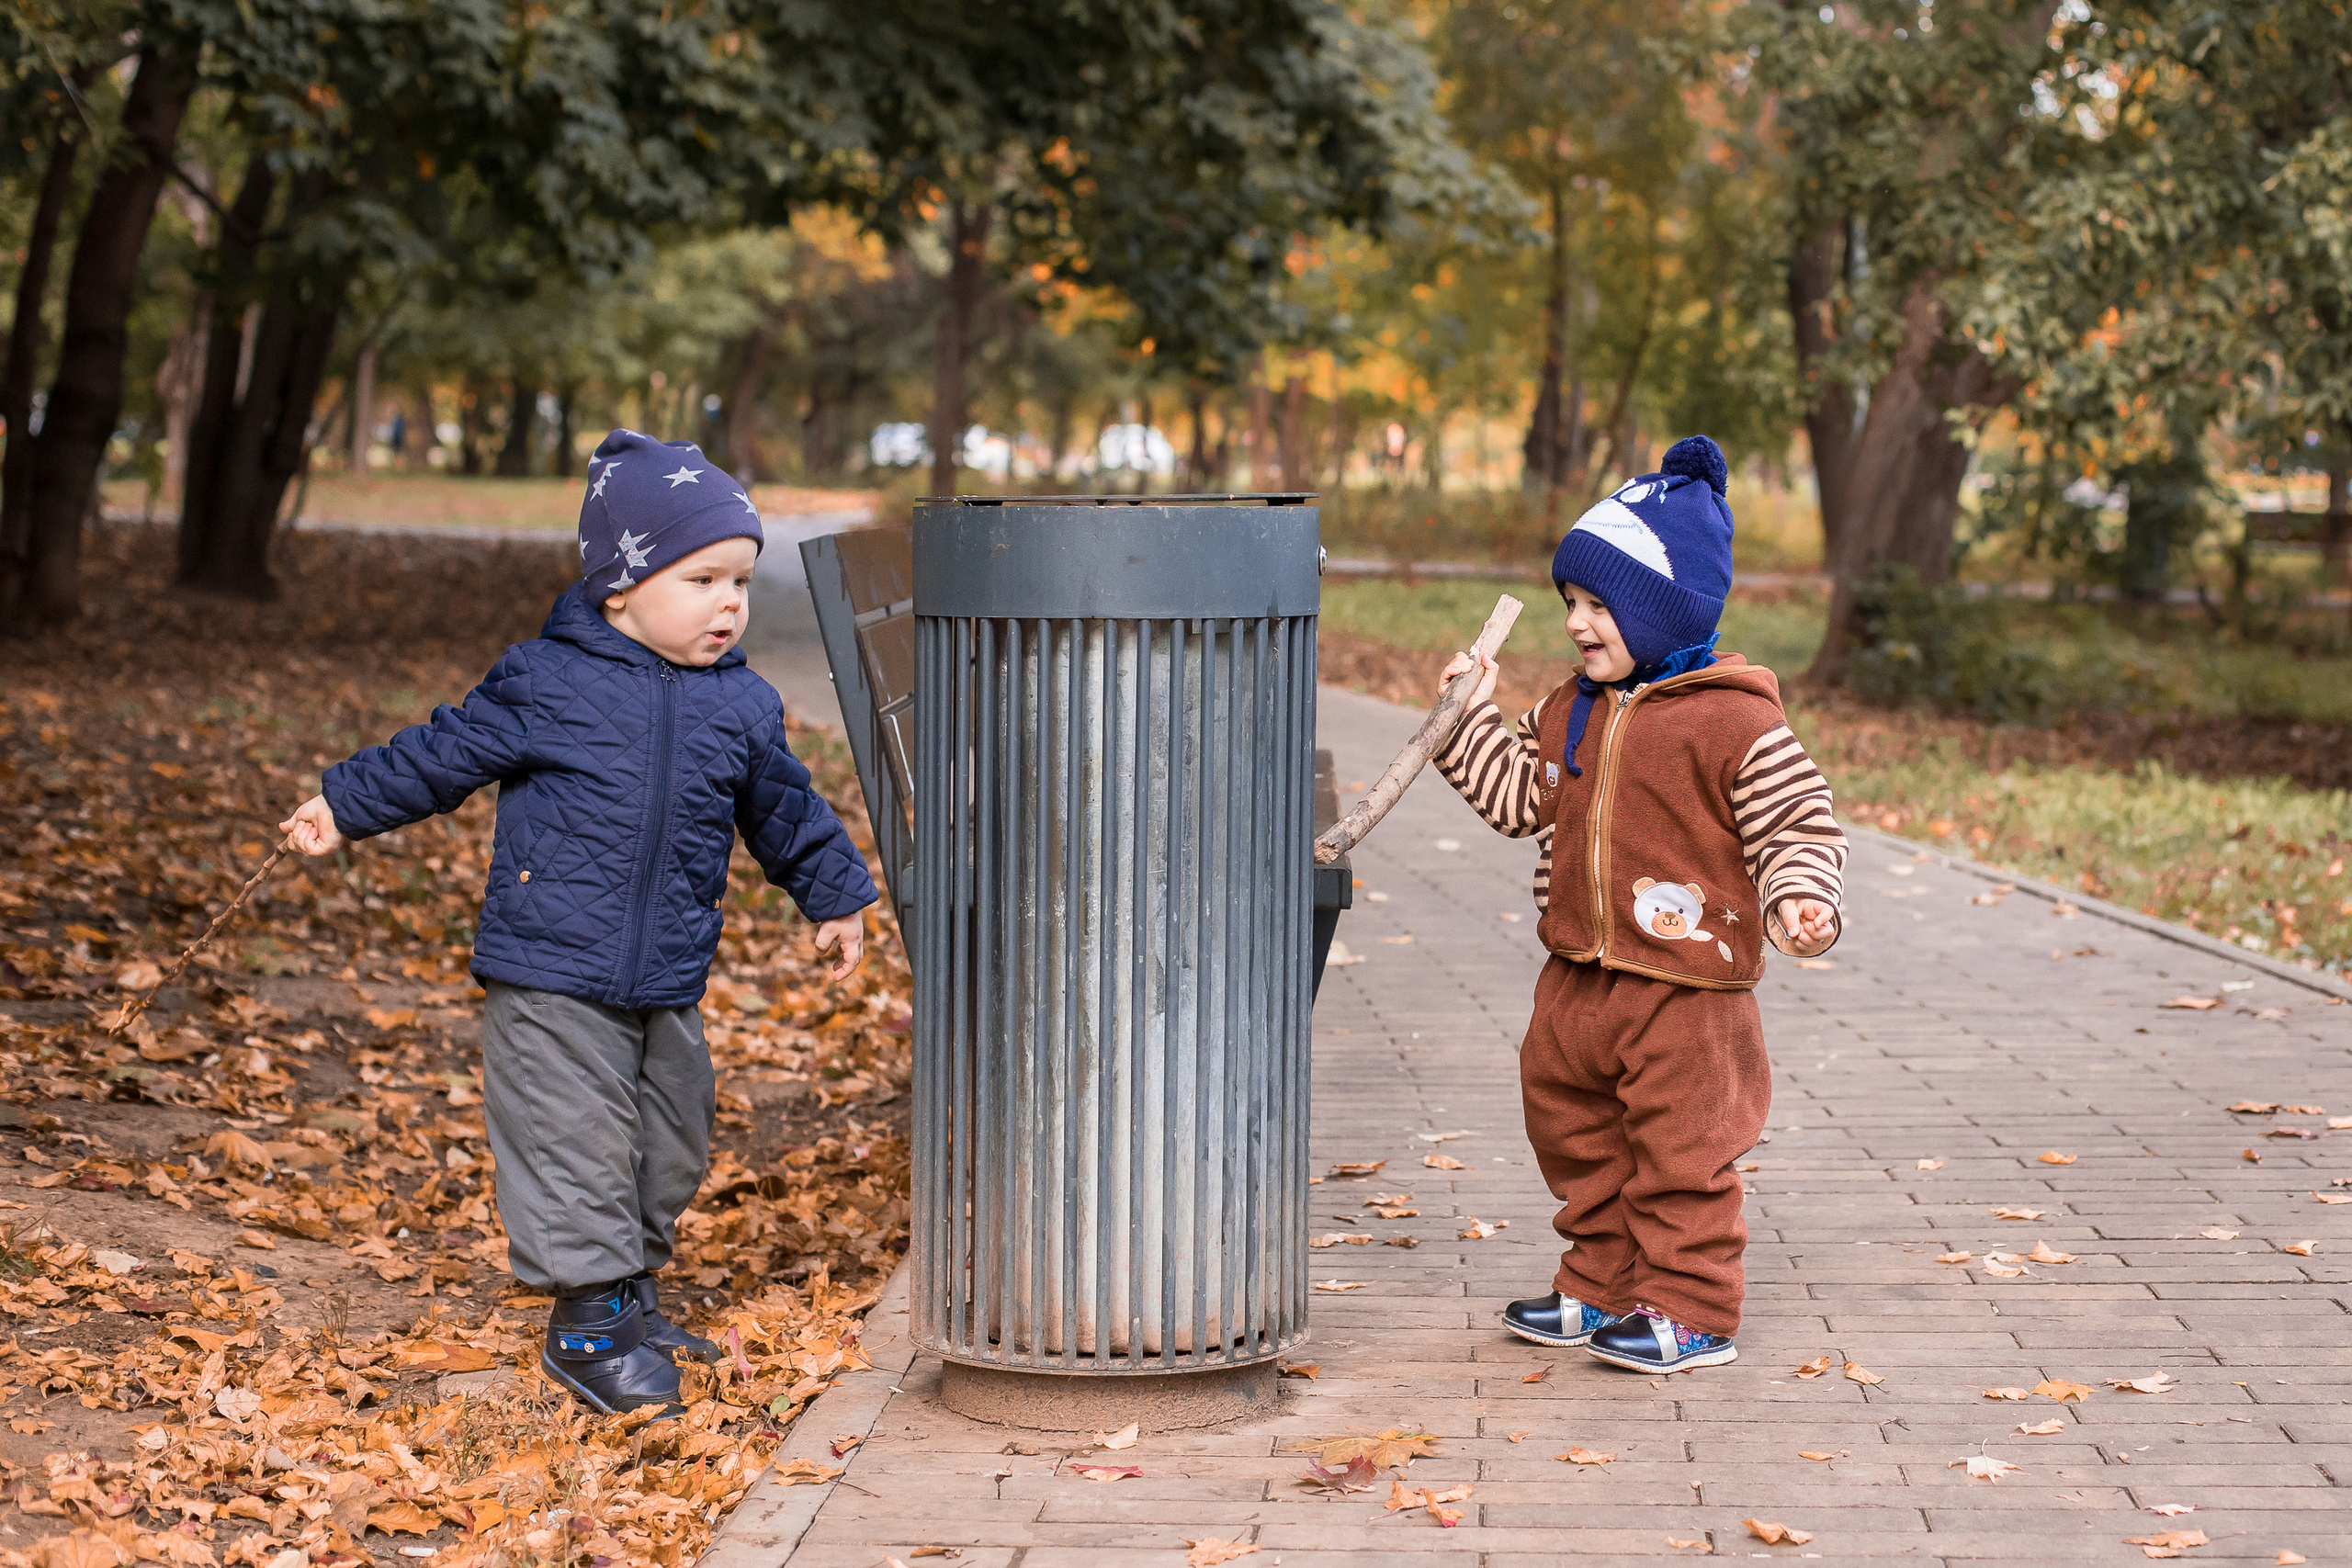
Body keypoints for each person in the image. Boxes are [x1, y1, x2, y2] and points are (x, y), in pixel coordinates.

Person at [278, 429, 878, 1416]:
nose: (729, 604)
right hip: (550, 971)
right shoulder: (545, 681)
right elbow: (442, 754)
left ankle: (629, 1295)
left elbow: (784, 809)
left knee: (670, 1136)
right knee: (576, 1143)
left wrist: (835, 892)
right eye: (701, 581)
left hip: (665, 974)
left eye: (740, 582)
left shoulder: (743, 704)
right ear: (619, 590)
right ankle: (588, 1329)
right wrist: (343, 805)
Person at [1431, 434, 1845, 1374]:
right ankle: (1603, 1283)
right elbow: (1516, 798)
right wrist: (1465, 722)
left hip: (1687, 993)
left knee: (1681, 1152)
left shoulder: (1736, 720)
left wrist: (1799, 896)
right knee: (1575, 1133)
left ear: (1665, 606)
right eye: (1570, 604)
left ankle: (1692, 1307)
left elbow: (1796, 822)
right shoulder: (1569, 708)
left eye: (1599, 605)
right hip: (1579, 975)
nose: (1577, 624)